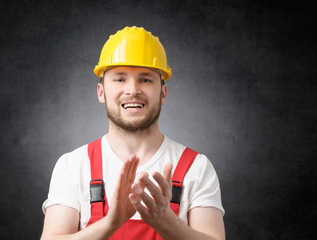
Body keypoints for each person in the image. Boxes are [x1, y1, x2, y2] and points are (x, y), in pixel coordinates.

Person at [40, 26, 225, 240]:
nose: (132, 90)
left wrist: (166, 223)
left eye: (145, 79)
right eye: (120, 79)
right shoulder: (73, 165)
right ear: (101, 92)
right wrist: (112, 222)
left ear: (163, 93)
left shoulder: (196, 167)